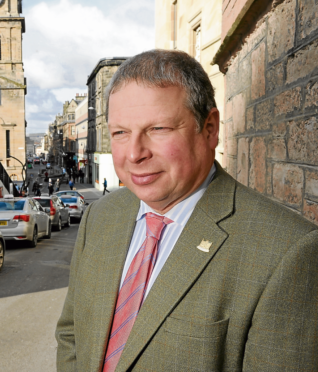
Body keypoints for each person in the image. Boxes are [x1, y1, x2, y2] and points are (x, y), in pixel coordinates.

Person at [55, 50, 318, 371]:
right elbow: (71, 334)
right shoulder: (99, 217)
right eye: (120, 133)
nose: (135, 153)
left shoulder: (288, 251)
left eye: (158, 129)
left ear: (209, 129)